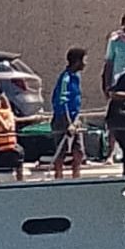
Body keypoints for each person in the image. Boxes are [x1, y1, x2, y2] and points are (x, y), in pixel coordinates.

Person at [50, 47, 87, 179]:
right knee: (62, 150)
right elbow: (62, 101)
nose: (85, 63)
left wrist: (76, 119)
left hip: (75, 118)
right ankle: (58, 176)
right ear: (77, 61)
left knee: (79, 150)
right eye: (84, 60)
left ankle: (76, 176)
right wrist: (68, 123)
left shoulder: (76, 77)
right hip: (62, 119)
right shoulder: (65, 78)